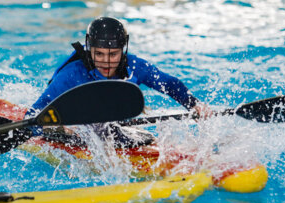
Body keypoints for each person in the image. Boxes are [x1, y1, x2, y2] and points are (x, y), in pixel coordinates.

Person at [26, 16, 211, 146]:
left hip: (110, 121)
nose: (106, 62)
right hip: (75, 126)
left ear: (123, 50)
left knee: (118, 134)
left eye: (113, 54)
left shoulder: (135, 66)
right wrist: (47, 128)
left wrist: (194, 105)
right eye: (99, 54)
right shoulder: (72, 74)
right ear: (89, 50)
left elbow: (169, 84)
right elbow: (33, 113)